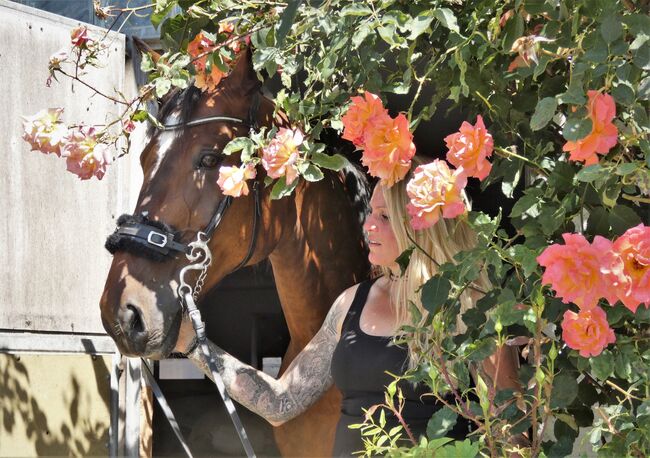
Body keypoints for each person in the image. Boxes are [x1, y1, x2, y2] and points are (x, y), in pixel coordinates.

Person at [173, 163, 521, 456]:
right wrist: (194, 345)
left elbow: (511, 432)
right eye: (371, 211)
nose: (369, 225)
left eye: (385, 216)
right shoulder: (351, 303)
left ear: (423, 226)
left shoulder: (470, 307)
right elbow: (281, 403)